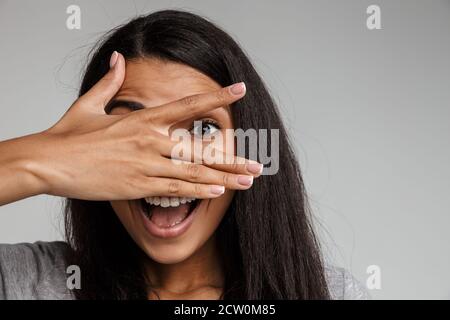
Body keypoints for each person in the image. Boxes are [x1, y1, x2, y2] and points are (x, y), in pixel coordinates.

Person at [0, 10, 369, 300]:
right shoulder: (28, 282)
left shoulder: (331, 293)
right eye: (132, 130)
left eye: (203, 129)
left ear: (249, 144)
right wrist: (41, 162)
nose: (170, 157)